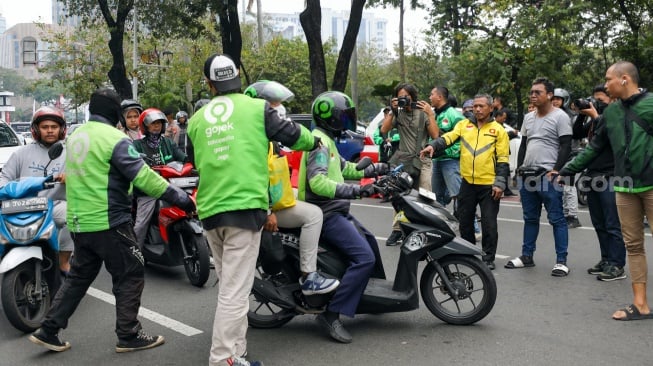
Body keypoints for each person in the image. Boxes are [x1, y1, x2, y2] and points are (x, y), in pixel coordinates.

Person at [28, 88, 195, 353]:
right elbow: (144, 178)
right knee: (130, 272)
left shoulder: (78, 135)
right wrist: (183, 200)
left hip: (80, 222)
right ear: (115, 112)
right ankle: (128, 335)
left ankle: (49, 330)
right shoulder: (114, 139)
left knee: (78, 278)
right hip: (109, 221)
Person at [186, 53, 320, 366]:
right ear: (236, 78)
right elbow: (295, 136)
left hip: (209, 212)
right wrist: (316, 143)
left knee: (231, 288)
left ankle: (237, 353)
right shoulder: (258, 108)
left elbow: (193, 160)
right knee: (235, 291)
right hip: (244, 211)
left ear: (209, 83)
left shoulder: (195, 119)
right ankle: (222, 359)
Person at [560, 61, 653, 320]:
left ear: (624, 79)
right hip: (623, 187)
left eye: (608, 79)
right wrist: (567, 169)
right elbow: (595, 148)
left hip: (651, 185)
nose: (605, 84)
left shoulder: (650, 104)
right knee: (633, 246)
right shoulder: (611, 113)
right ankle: (640, 305)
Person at [299, 90, 387, 344]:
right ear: (332, 118)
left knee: (370, 241)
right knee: (364, 258)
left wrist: (372, 169)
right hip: (326, 213)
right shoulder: (319, 142)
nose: (348, 122)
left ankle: (368, 296)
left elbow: (341, 168)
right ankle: (332, 313)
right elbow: (317, 182)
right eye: (345, 117)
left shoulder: (326, 139)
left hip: (336, 210)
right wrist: (358, 190)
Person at [244, 80, 340, 295]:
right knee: (314, 215)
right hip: (264, 204)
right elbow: (257, 178)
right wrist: (268, 212)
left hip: (275, 197)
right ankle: (309, 276)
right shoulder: (258, 141)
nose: (278, 109)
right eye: (273, 105)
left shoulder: (267, 138)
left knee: (309, 198)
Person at [420, 94, 510, 270]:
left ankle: (488, 257)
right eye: (475, 106)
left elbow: (503, 159)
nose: (477, 109)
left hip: (488, 185)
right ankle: (469, 252)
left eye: (481, 106)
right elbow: (447, 138)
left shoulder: (498, 130)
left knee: (489, 223)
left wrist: (500, 183)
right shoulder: (464, 125)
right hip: (467, 182)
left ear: (491, 108)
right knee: (465, 220)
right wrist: (433, 146)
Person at [505, 77, 572, 277]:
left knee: (557, 219)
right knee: (530, 218)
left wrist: (557, 170)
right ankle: (527, 256)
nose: (533, 95)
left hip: (547, 176)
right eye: (531, 92)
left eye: (537, 92)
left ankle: (561, 261)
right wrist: (518, 169)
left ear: (550, 95)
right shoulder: (528, 117)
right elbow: (524, 143)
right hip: (528, 175)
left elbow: (566, 145)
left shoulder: (560, 117)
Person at [562, 84, 626, 281]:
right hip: (593, 176)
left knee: (612, 223)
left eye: (601, 100)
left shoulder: (615, 118)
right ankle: (606, 259)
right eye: (594, 99)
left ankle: (617, 265)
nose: (597, 103)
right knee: (599, 222)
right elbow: (576, 133)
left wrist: (596, 116)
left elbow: (612, 137)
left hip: (610, 175)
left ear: (612, 100)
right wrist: (583, 113)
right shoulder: (594, 119)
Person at [0, 106, 73, 275]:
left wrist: (70, 178)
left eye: (54, 127)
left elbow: (83, 175)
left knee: (73, 216)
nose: (49, 131)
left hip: (55, 206)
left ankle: (64, 262)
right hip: (23, 206)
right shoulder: (21, 153)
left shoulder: (69, 153)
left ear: (61, 130)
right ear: (36, 130)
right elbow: (4, 178)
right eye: (45, 127)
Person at [380, 83, 439, 246]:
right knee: (400, 197)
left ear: (413, 96)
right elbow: (384, 130)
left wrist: (431, 115)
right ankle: (398, 230)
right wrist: (392, 111)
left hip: (423, 160)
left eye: (406, 96)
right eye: (400, 97)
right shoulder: (397, 113)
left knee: (425, 195)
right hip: (404, 161)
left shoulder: (423, 113)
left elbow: (435, 135)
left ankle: (426, 229)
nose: (403, 99)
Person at [132, 108, 188, 248]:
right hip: (148, 190)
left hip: (171, 187)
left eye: (159, 123)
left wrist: (192, 161)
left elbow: (183, 158)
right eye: (152, 123)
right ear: (145, 126)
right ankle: (134, 254)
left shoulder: (168, 143)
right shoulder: (137, 145)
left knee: (193, 210)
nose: (156, 125)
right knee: (140, 225)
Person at [551, 88, 582, 228]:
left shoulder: (572, 117)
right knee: (560, 186)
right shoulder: (551, 115)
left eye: (558, 99)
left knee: (569, 187)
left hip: (570, 155)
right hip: (557, 155)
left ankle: (573, 216)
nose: (555, 101)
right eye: (553, 99)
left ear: (565, 100)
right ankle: (564, 214)